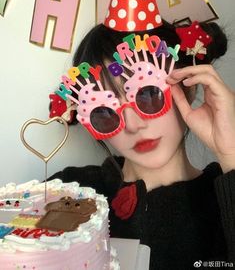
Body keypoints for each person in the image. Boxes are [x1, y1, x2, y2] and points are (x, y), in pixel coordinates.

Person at [48, 20, 235, 270]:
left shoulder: (223, 199)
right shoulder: (68, 195)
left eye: (148, 94)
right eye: (103, 111)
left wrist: (231, 153)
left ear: (187, 87)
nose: (132, 125)